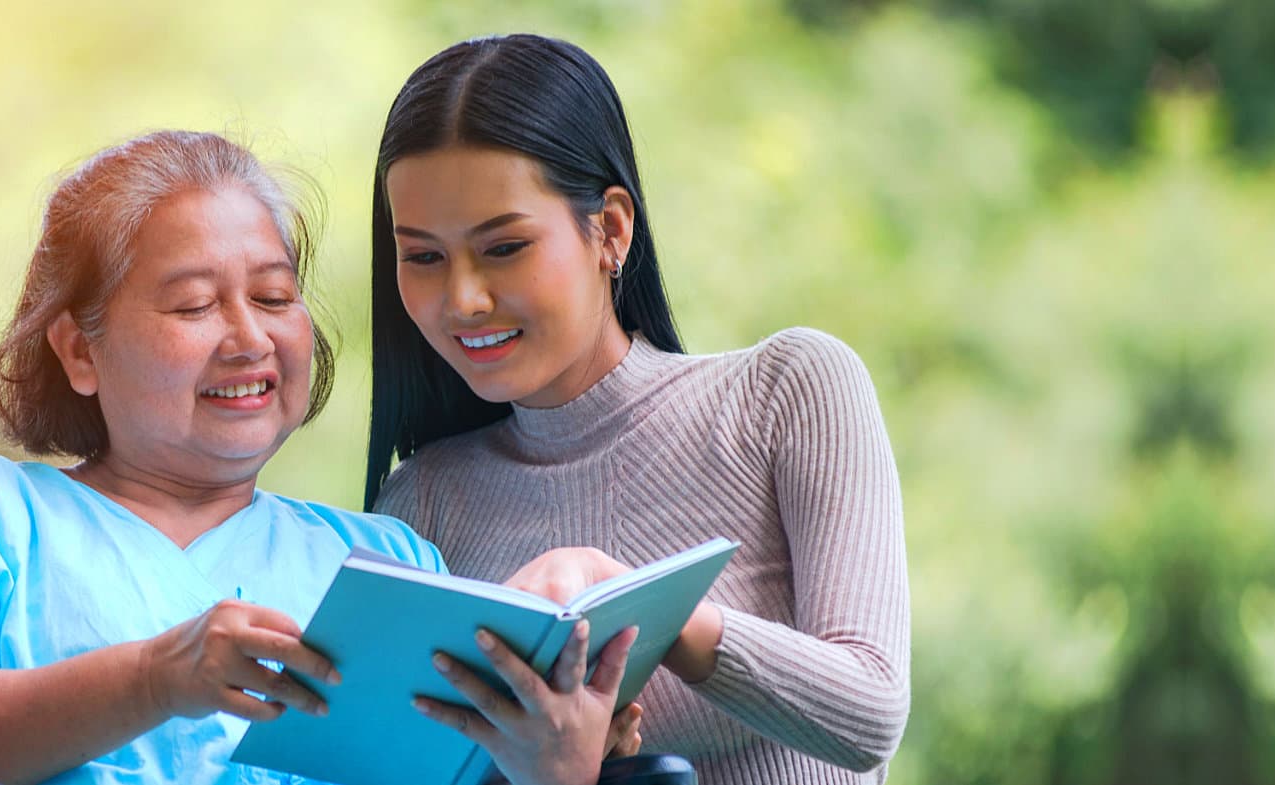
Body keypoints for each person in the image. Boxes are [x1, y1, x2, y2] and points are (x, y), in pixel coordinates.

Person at [0, 130, 639, 785]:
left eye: (273, 295)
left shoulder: (388, 562)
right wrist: (153, 678)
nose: (250, 337)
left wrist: (553, 758)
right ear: (79, 351)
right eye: (192, 306)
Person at [364, 35, 912, 784]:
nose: (462, 299)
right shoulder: (424, 504)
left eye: (504, 248)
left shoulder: (786, 392)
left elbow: (870, 709)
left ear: (611, 229)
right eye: (423, 256)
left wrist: (632, 597)